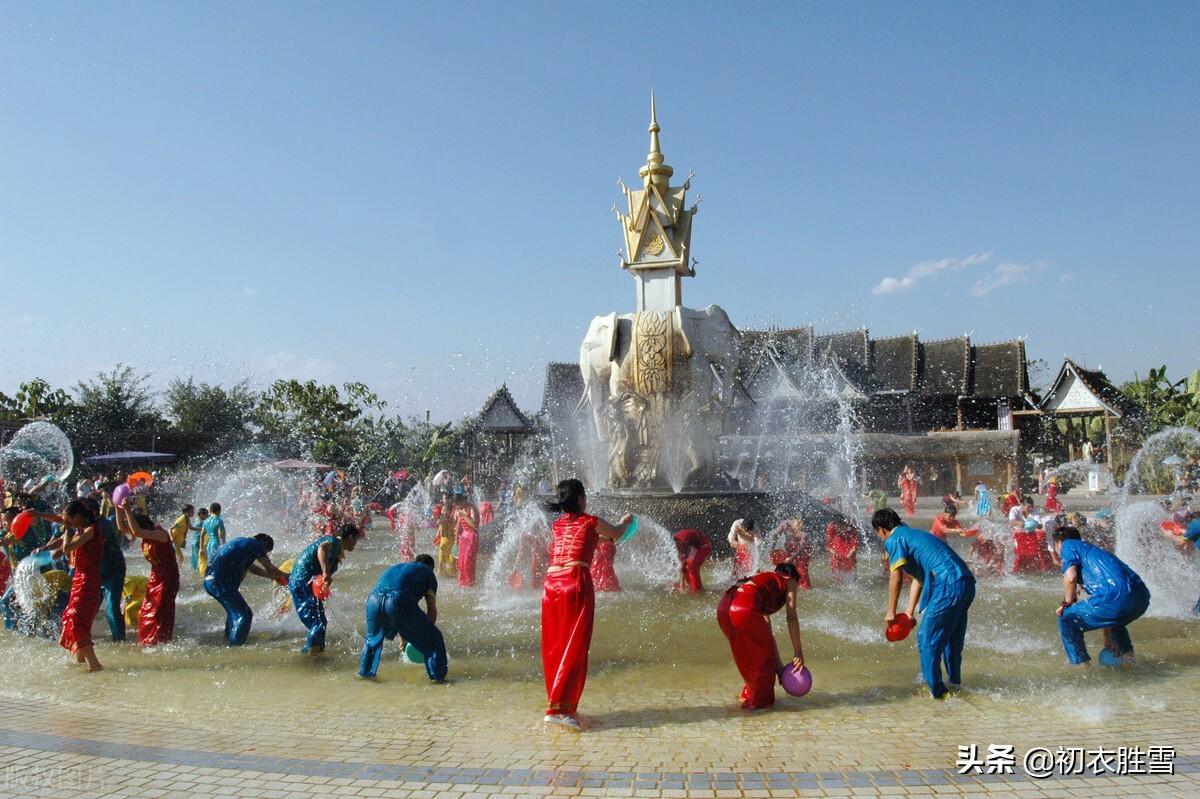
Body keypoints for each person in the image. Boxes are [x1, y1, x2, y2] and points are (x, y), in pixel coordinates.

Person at [540, 479, 632, 730]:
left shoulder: (558, 525)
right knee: (576, 646)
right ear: (580, 498)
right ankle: (562, 709)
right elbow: (617, 532)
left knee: (555, 645)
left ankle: (558, 704)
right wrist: (626, 520)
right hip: (574, 581)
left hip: (551, 584)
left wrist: (600, 542)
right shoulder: (591, 520)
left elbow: (574, 544)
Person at [874, 508, 976, 699]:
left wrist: (890, 611)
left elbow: (895, 576)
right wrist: (909, 612)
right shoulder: (912, 534)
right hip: (966, 582)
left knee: (926, 638)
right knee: (950, 638)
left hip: (947, 583)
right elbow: (919, 579)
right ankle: (954, 685)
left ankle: (937, 693)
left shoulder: (893, 539)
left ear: (881, 530)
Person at [1053, 527, 1150, 666]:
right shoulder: (1093, 552)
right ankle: (1129, 661)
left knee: (1066, 618)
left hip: (1116, 599)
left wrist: (1066, 604)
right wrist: (1107, 636)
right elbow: (1110, 599)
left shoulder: (1067, 545)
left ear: (1058, 543)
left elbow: (1070, 577)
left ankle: (1080, 668)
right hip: (1141, 598)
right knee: (1117, 623)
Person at [716, 562, 806, 710]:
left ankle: (747, 697)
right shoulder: (789, 580)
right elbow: (791, 617)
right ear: (793, 577)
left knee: (749, 656)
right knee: (764, 665)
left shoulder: (764, 580)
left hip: (725, 606)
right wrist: (798, 652)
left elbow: (767, 634)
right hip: (744, 605)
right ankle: (759, 708)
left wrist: (778, 665)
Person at [32, 500, 106, 672]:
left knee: (76, 618)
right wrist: (39, 514)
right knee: (72, 617)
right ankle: (80, 659)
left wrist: (66, 531)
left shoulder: (90, 531)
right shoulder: (81, 528)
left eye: (68, 520)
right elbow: (59, 520)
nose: (66, 523)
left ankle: (94, 664)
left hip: (88, 580)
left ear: (78, 517)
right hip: (79, 579)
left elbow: (67, 548)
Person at [358, 553, 447, 681]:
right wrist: (424, 636)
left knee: (372, 642)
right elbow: (431, 610)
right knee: (435, 639)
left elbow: (401, 615)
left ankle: (364, 677)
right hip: (398, 600)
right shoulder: (427, 572)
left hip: (373, 600)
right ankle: (438, 680)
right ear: (430, 567)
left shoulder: (399, 567)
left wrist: (404, 638)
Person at [288, 523, 361, 654]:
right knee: (317, 624)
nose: (355, 544)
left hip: (304, 583)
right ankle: (309, 657)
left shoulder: (337, 550)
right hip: (302, 582)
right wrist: (326, 572)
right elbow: (322, 548)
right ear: (350, 537)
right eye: (356, 540)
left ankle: (317, 654)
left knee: (322, 622)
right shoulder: (334, 542)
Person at [204, 534, 289, 646]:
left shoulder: (241, 542)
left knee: (233, 613)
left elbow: (251, 568)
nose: (266, 554)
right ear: (264, 544)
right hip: (221, 583)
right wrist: (288, 576)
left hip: (210, 581)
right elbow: (270, 569)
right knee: (245, 614)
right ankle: (235, 647)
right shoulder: (256, 545)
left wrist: (271, 577)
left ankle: (227, 639)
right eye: (266, 552)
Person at [115, 505, 180, 646]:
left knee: (159, 611)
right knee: (147, 610)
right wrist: (116, 507)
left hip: (168, 576)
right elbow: (122, 528)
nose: (133, 534)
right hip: (155, 575)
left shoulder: (160, 534)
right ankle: (147, 640)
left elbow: (136, 531)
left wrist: (127, 509)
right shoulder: (146, 534)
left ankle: (160, 641)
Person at [772, 518, 812, 590]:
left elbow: (801, 548)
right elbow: (775, 535)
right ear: (793, 521)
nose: (800, 526)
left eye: (802, 525)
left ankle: (806, 589)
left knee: (802, 571)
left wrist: (792, 557)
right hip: (790, 549)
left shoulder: (803, 533)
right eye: (798, 524)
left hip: (803, 553)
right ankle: (788, 587)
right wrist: (772, 549)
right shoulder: (785, 525)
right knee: (787, 570)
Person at [673, 528, 712, 592]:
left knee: (692, 566)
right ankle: (690, 585)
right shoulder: (677, 540)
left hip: (704, 545)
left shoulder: (682, 542)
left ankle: (697, 591)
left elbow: (683, 564)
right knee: (689, 565)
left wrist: (681, 586)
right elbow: (683, 564)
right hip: (696, 545)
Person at [454, 496, 479, 587]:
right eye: (455, 505)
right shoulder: (459, 510)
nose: (457, 507)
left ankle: (470, 584)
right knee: (460, 563)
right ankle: (462, 583)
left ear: (463, 501)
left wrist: (464, 515)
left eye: (458, 504)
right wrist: (455, 540)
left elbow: (474, 525)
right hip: (463, 538)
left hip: (472, 537)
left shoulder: (472, 509)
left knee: (468, 562)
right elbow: (458, 526)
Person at [199, 503, 226, 576]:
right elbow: (220, 535)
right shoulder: (219, 520)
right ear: (219, 511)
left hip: (209, 544)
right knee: (217, 562)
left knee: (210, 561)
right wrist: (224, 545)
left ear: (210, 510)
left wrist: (201, 548)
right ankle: (214, 577)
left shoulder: (206, 521)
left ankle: (208, 576)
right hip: (216, 543)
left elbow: (202, 535)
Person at [434, 497, 456, 577]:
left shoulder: (451, 519)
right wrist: (437, 535)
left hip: (452, 542)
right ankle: (442, 575)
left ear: (450, 512)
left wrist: (439, 521)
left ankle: (453, 575)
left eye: (446, 510)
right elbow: (440, 527)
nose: (444, 512)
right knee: (441, 561)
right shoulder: (442, 518)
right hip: (443, 541)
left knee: (452, 561)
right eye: (443, 510)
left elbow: (445, 522)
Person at [190, 507, 209, 572]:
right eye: (206, 514)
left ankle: (195, 572)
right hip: (197, 543)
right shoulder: (201, 523)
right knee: (200, 559)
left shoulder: (197, 521)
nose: (207, 516)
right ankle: (200, 573)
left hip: (193, 542)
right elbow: (206, 531)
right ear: (201, 514)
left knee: (195, 559)